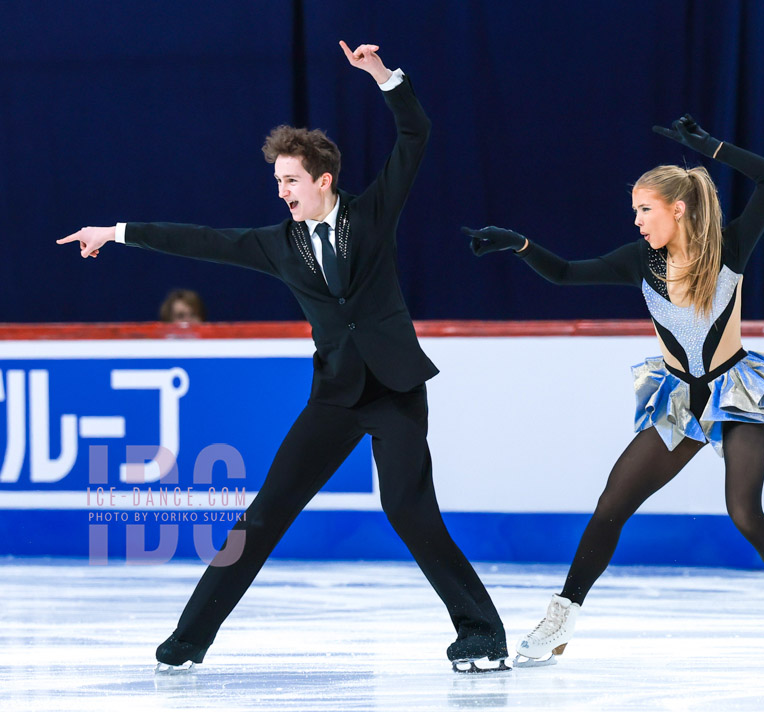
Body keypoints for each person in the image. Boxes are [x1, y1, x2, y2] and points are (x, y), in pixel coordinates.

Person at [58, 41, 508, 674]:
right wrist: (118, 232)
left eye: (291, 181)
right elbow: (203, 242)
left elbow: (416, 131)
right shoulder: (278, 244)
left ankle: (482, 635)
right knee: (264, 513)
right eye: (277, 183)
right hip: (335, 395)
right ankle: (187, 642)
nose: (283, 193)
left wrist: (380, 74)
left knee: (407, 507)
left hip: (396, 387)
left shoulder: (373, 212)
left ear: (323, 181)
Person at [462, 115, 764, 668]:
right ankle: (560, 618)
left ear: (677, 209)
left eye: (645, 210)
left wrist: (713, 147)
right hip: (679, 399)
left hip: (735, 392)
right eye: (635, 211)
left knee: (744, 511)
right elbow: (567, 274)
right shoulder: (640, 261)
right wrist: (519, 244)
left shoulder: (730, 247)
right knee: (611, 505)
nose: (636, 221)